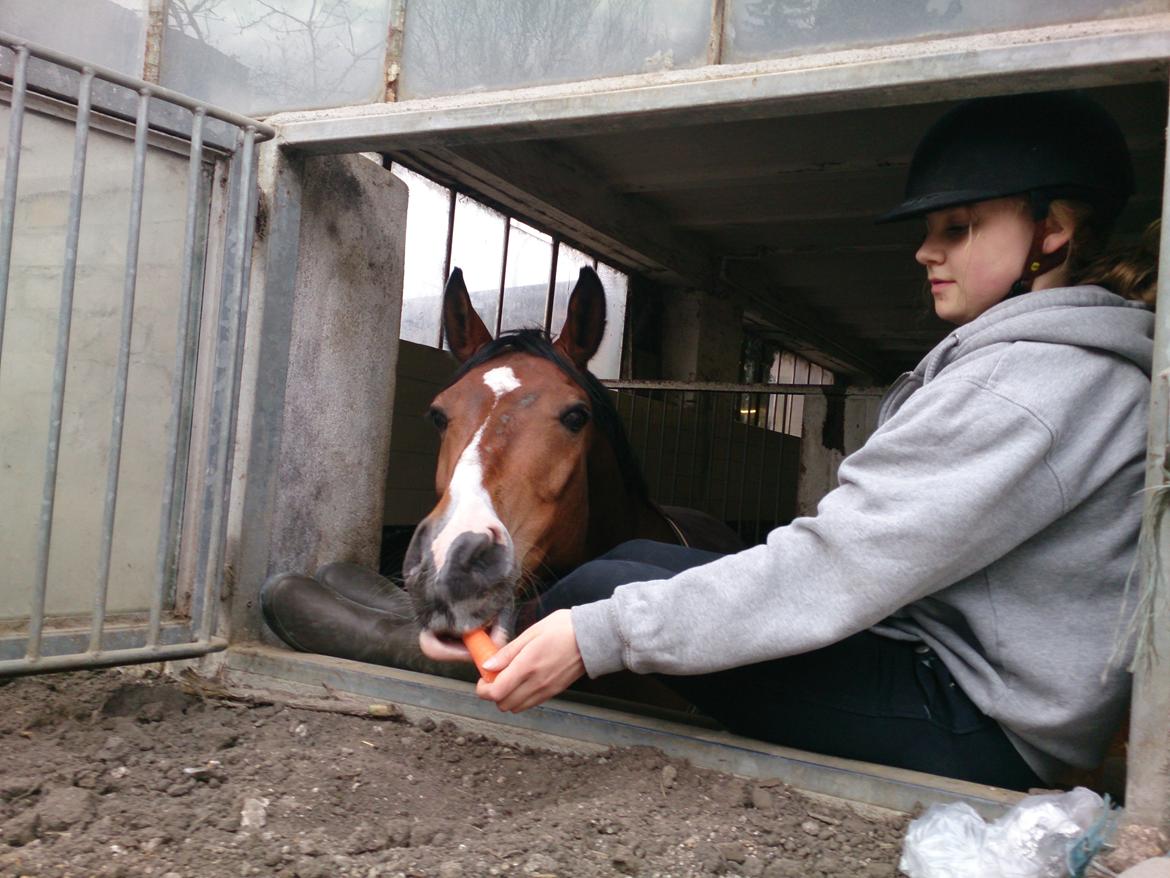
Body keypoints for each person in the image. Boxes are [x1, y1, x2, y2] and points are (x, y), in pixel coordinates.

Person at [455, 91, 1160, 791]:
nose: (925, 250)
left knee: (605, 591)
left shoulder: (1027, 382)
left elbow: (838, 568)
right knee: (636, 556)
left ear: (1053, 232)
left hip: (978, 722)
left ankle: (477, 667)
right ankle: (492, 650)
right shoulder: (1043, 366)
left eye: (959, 227)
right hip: (961, 674)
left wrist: (593, 636)